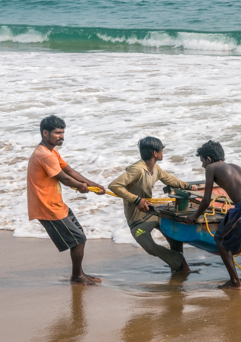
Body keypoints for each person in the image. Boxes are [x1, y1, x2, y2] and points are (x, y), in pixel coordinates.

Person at [185, 141, 241, 290]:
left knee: (220, 240)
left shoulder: (211, 168)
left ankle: (235, 282)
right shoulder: (235, 166)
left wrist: (195, 216)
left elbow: (206, 200)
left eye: (202, 161)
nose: (202, 165)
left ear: (208, 159)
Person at [27, 115, 105, 286]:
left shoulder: (51, 152)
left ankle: (80, 273)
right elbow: (65, 179)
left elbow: (71, 172)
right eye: (57, 133)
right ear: (45, 133)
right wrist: (82, 187)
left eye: (62, 133)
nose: (61, 136)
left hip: (56, 203)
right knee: (79, 239)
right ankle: (76, 277)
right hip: (47, 207)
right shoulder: (44, 155)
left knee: (79, 236)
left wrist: (93, 184)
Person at [109, 137, 193, 273]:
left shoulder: (155, 168)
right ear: (155, 153)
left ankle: (178, 268)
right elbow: (114, 185)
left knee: (174, 236)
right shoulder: (137, 170)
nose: (163, 153)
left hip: (153, 214)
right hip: (137, 221)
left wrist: (189, 187)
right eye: (161, 150)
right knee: (150, 247)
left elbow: (169, 179)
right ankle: (178, 261)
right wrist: (136, 200)